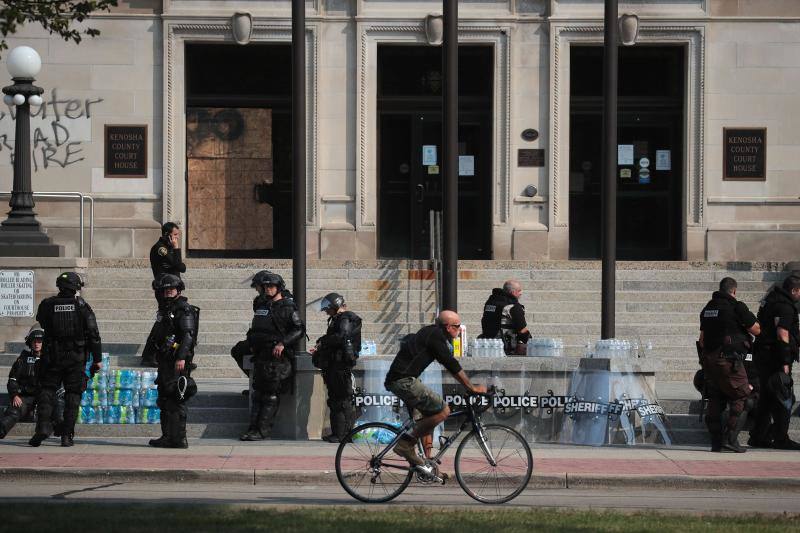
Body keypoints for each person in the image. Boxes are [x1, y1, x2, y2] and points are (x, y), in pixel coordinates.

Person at [385, 310, 485, 468]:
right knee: (444, 410)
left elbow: (448, 362)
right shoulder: (435, 336)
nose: (459, 330)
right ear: (448, 327)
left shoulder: (431, 333)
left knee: (430, 415)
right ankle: (406, 444)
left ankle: (426, 465)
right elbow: (450, 363)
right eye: (457, 326)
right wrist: (471, 387)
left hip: (402, 380)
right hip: (404, 381)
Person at [30, 272, 103, 447]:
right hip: (75, 358)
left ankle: (42, 428)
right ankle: (66, 435)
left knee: (47, 391)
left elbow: (42, 322)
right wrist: (97, 359)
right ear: (76, 287)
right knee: (73, 396)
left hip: (52, 357)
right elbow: (93, 334)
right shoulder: (82, 306)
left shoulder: (47, 304)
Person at [239, 272, 304, 441]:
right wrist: (251, 341)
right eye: (265, 286)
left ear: (279, 288)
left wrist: (282, 343)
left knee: (269, 395)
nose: (267, 289)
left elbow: (298, 329)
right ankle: (252, 429)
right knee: (257, 394)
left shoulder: (288, 306)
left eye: (271, 286)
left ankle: (262, 431)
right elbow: (256, 327)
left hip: (276, 359)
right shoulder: (262, 305)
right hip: (261, 355)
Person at [698, 277, 760, 453]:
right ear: (734, 291)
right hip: (729, 361)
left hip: (709, 361)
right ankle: (730, 440)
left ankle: (716, 443)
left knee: (715, 398)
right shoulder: (736, 306)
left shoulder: (708, 308)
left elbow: (702, 340)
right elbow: (756, 329)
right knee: (745, 397)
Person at [148, 274, 199, 449]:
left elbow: (188, 335)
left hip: (177, 361)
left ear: (178, 290)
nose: (168, 291)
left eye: (172, 288)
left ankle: (179, 438)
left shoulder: (183, 309)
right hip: (165, 360)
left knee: (176, 399)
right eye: (166, 289)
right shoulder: (166, 308)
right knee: (165, 399)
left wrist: (181, 357)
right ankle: (167, 437)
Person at [750, 275, 800, 450]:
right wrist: (785, 361)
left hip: (763, 355)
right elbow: (782, 333)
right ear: (794, 290)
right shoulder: (786, 306)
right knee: (784, 397)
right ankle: (781, 438)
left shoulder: (770, 300)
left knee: (766, 397)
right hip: (776, 358)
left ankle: (758, 436)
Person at [309, 293, 362, 443]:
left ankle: (343, 435)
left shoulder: (346, 318)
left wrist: (324, 341)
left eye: (328, 309)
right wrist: (321, 344)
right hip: (334, 365)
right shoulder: (338, 319)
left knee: (342, 400)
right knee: (335, 399)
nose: (326, 312)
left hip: (341, 366)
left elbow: (341, 336)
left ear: (336, 306)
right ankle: (338, 433)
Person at [142, 222, 187, 367]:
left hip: (173, 290)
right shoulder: (160, 249)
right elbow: (180, 266)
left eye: (177, 235)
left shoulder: (168, 248)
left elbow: (179, 266)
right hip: (164, 291)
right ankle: (149, 355)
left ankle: (177, 356)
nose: (177, 238)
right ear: (167, 235)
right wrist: (177, 248)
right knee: (163, 322)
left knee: (173, 322)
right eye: (175, 235)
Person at [479, 280, 531, 355]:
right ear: (513, 292)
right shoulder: (513, 306)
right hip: (505, 347)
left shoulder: (490, 302)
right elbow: (522, 330)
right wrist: (531, 343)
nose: (521, 293)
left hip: (487, 344)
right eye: (519, 291)